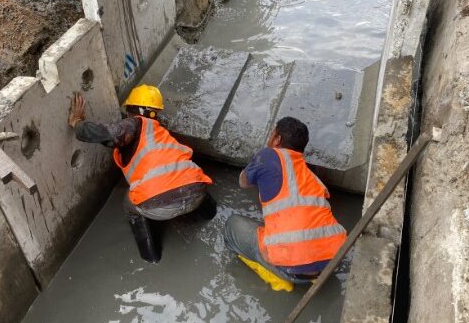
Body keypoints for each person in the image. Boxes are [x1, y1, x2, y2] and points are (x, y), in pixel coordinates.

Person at [68, 84, 216, 263]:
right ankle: (212, 215)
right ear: (156, 113)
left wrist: (78, 123)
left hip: (159, 206)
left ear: (132, 110)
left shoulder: (135, 123)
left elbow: (107, 134)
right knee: (189, 174)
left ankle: (150, 257)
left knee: (129, 203)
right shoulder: (160, 132)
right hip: (197, 193)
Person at [224, 116, 347, 284]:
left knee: (232, 225)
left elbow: (243, 182)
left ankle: (274, 276)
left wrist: (257, 166)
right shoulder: (311, 177)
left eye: (271, 134)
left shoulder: (267, 155)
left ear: (277, 139)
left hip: (292, 269)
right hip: (331, 264)